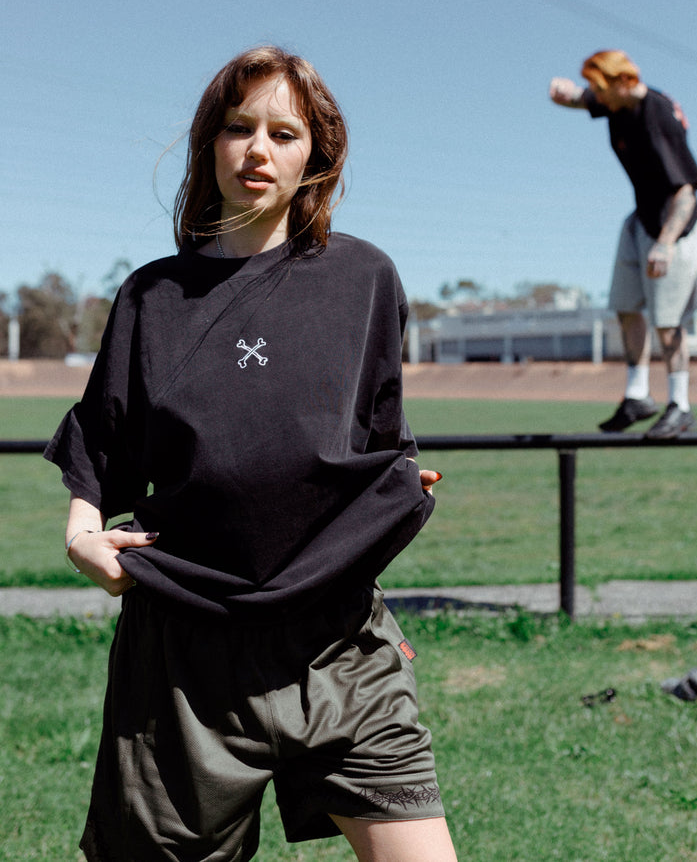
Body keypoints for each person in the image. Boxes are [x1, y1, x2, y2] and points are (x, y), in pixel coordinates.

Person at [45, 46, 459, 862]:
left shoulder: (365, 279)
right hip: (182, 657)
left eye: (283, 132)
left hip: (338, 641)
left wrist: (392, 490)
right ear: (209, 144)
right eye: (238, 128)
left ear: (317, 156)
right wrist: (81, 530)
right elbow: (101, 438)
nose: (258, 150)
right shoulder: (152, 297)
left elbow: (378, 436)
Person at [549, 49, 697, 439]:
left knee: (667, 322)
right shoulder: (617, 102)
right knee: (625, 306)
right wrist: (565, 95)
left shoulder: (657, 118)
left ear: (624, 83)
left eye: (599, 89)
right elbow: (582, 99)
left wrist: (666, 244)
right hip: (640, 218)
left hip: (675, 225)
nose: (594, 96)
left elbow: (685, 191)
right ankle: (637, 395)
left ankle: (681, 406)